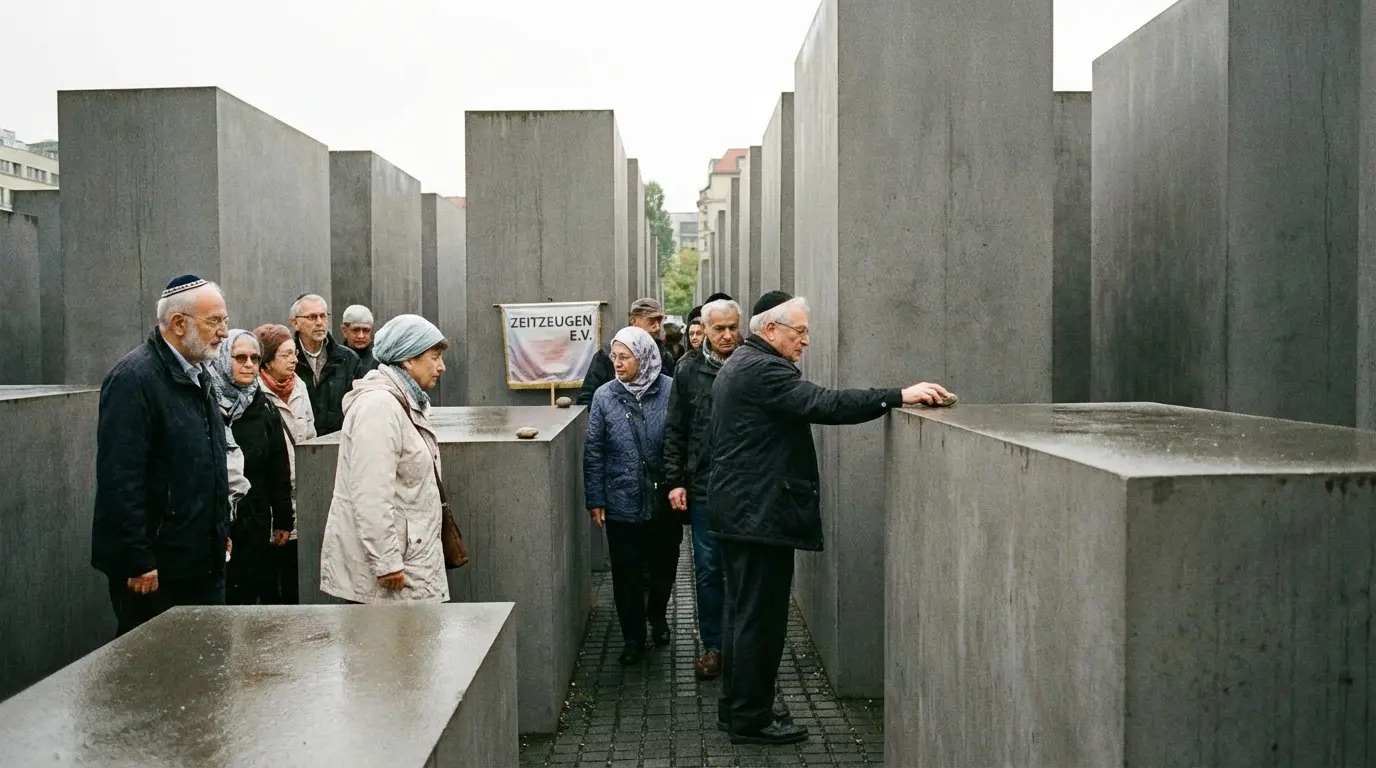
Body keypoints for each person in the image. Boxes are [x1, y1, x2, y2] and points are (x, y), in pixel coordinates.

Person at [709, 291, 951, 745]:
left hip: (743, 512)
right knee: (759, 620)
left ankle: (740, 706)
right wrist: (898, 395)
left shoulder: (742, 363)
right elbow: (827, 404)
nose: (806, 341)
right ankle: (751, 718)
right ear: (770, 330)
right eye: (800, 332)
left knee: (743, 616)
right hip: (757, 516)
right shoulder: (763, 370)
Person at [91, 275, 233, 636]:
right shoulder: (133, 379)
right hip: (157, 570)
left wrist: (220, 528)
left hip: (200, 560)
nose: (223, 331)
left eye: (225, 320)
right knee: (155, 679)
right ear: (179, 324)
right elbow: (120, 478)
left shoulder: (200, 374)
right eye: (214, 321)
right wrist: (137, 558)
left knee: (204, 673)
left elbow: (208, 461)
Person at [319, 314, 451, 604]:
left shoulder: (403, 402)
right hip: (393, 568)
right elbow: (370, 493)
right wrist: (386, 562)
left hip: (410, 554)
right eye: (434, 356)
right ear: (407, 360)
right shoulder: (380, 407)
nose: (441, 366)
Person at [583, 327, 681, 665]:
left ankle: (657, 614)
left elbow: (682, 440)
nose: (618, 364)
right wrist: (595, 499)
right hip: (621, 499)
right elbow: (593, 450)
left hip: (663, 499)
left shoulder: (671, 390)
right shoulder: (604, 396)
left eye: (625, 357)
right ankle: (633, 639)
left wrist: (680, 483)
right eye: (615, 357)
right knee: (625, 574)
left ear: (644, 357)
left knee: (664, 567)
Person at [665, 297, 741, 680]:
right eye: (719, 329)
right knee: (709, 570)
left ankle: (741, 645)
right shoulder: (688, 369)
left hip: (746, 487)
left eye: (733, 328)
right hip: (705, 486)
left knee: (742, 569)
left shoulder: (751, 364)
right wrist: (675, 480)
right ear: (704, 330)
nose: (727, 335)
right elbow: (676, 428)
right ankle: (713, 646)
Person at [208, 329, 294, 605]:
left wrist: (283, 519)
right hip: (216, 518)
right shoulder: (205, 402)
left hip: (255, 517)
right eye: (240, 357)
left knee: (250, 592)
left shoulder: (263, 406)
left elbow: (277, 466)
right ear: (224, 359)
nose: (249, 365)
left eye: (255, 358)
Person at [255, 323, 317, 604]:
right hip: (269, 497)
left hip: (301, 492)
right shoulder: (254, 393)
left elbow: (311, 433)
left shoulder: (300, 386)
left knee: (296, 575)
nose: (294, 360)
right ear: (267, 361)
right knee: (269, 575)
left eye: (294, 354)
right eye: (286, 355)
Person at [576, 298, 677, 405]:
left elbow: (672, 398)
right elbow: (586, 399)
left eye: (659, 321)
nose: (656, 327)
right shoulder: (607, 355)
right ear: (633, 321)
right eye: (651, 321)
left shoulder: (664, 356)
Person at [290, 293, 361, 435]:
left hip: (338, 443)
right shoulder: (288, 358)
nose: (319, 322)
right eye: (312, 317)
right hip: (300, 444)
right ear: (295, 323)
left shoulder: (348, 359)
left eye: (323, 316)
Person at [341, 304, 380, 375]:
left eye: (366, 330)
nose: (361, 336)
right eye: (355, 330)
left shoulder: (380, 360)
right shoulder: (334, 358)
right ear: (344, 331)